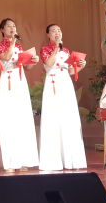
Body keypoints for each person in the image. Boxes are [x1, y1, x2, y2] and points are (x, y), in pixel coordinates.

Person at [38, 24, 88, 171]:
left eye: (59, 30)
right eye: (53, 31)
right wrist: (55, 49)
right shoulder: (45, 49)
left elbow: (71, 70)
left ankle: (71, 159)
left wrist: (82, 65)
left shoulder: (66, 51)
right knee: (53, 118)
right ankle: (53, 161)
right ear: (48, 35)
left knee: (68, 118)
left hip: (65, 83)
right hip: (53, 83)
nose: (57, 33)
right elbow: (48, 63)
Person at [0, 18, 40, 172]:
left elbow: (27, 68)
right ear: (2, 30)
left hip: (20, 81)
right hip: (7, 81)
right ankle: (9, 162)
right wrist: (13, 42)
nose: (12, 28)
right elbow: (6, 57)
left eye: (14, 26)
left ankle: (22, 160)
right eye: (9, 26)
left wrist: (33, 61)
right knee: (8, 119)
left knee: (22, 119)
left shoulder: (20, 47)